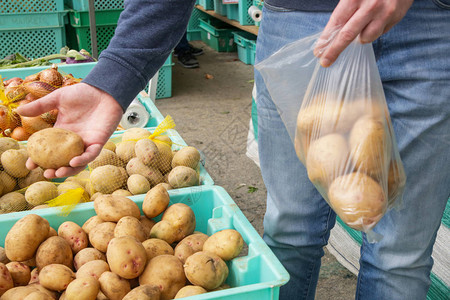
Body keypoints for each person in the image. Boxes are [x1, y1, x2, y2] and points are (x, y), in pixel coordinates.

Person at [16, 1, 449, 299]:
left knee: (400, 254)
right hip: (300, 27)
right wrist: (118, 73)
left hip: (429, 29)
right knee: (293, 230)